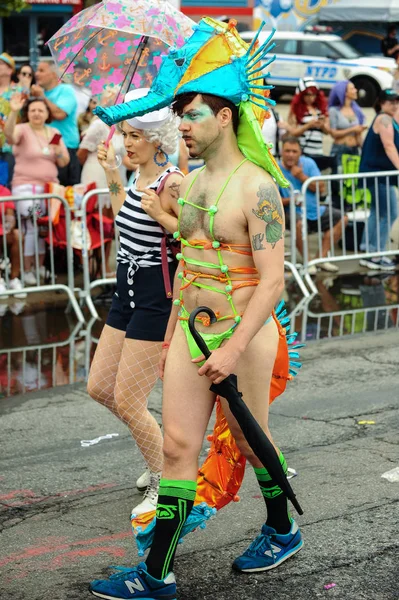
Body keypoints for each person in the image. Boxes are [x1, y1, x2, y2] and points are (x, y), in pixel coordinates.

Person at [89, 19, 302, 600]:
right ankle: (156, 574)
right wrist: (158, 212)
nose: (181, 124)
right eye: (179, 115)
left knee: (248, 435)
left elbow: (273, 281)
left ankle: (282, 528)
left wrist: (232, 348)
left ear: (225, 116)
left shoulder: (257, 187)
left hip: (242, 336)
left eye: (192, 114)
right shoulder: (196, 183)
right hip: (191, 331)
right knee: (180, 447)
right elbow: (193, 249)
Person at [87, 87, 183, 516]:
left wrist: (163, 215)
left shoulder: (173, 182)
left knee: (128, 400)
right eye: (125, 133)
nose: (126, 142)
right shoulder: (136, 177)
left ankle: (165, 481)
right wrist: (111, 175)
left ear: (157, 140)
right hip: (124, 292)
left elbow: (198, 240)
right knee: (99, 388)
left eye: (135, 135)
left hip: (154, 298)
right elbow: (125, 225)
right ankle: (159, 453)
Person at [4, 93, 70, 285]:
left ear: (47, 113)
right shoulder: (22, 129)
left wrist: (58, 154)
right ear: (28, 113)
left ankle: (39, 266)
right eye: (32, 110)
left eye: (40, 110)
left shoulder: (54, 133)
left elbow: (65, 162)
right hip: (25, 188)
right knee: (32, 223)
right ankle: (26, 269)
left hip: (49, 190)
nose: (36, 113)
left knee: (43, 227)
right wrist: (13, 112)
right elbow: (9, 136)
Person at [279, 136, 347, 274]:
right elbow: (273, 199)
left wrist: (301, 176)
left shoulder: (308, 163)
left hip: (315, 210)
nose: (290, 154)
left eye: (294, 151)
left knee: (342, 218)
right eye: (287, 151)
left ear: (300, 153)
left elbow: (321, 188)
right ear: (281, 151)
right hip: (288, 212)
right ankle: (308, 262)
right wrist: (292, 200)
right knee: (298, 222)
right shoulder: (276, 168)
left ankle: (320, 260)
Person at [77, 115, 128, 276]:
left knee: (110, 225)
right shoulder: (99, 125)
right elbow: (81, 153)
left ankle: (105, 265)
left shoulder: (126, 127)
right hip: (97, 175)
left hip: (118, 176)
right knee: (98, 222)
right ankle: (97, 267)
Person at [359, 89, 399, 271]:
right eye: (391, 102)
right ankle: (376, 254)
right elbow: (389, 146)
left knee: (377, 212)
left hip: (378, 175)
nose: (394, 105)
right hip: (379, 175)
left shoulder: (388, 119)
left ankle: (368, 251)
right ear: (381, 103)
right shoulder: (384, 119)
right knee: (389, 213)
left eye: (396, 102)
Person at [32, 61, 80, 186]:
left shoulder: (66, 90)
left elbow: (60, 114)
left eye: (41, 70)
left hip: (65, 148)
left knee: (64, 193)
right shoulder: (36, 94)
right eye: (37, 70)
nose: (36, 74)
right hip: (42, 150)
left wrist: (42, 97)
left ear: (54, 74)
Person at [288, 77, 330, 168]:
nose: (311, 98)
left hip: (319, 151)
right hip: (304, 152)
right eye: (307, 95)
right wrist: (308, 125)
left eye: (314, 95)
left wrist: (322, 125)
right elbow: (293, 132)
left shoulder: (319, 109)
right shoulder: (296, 110)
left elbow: (328, 131)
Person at [328, 80, 367, 168]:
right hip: (340, 148)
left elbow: (358, 134)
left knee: (353, 180)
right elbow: (333, 133)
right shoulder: (334, 111)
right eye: (352, 89)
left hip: (354, 149)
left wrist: (364, 149)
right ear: (344, 92)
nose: (356, 90)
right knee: (339, 178)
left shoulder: (357, 110)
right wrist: (353, 129)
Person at [0, 52, 22, 187]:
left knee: (6, 185)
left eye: (1, 64)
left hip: (10, 145)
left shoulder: (18, 90)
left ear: (10, 70)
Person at [0, 190, 25, 298]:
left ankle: (14, 279)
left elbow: (10, 217)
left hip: (2, 232)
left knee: (17, 235)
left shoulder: (4, 191)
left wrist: (7, 228)